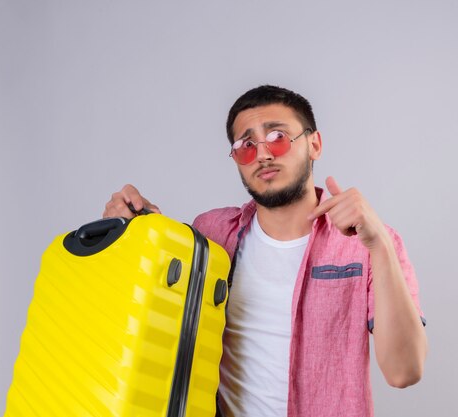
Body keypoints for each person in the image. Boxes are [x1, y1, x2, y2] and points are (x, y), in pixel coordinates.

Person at [103, 85, 427, 417]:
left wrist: (379, 247)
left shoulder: (369, 244)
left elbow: (404, 371)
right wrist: (129, 228)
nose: (262, 154)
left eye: (277, 136)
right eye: (246, 145)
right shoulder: (212, 233)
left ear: (314, 144)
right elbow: (152, 302)